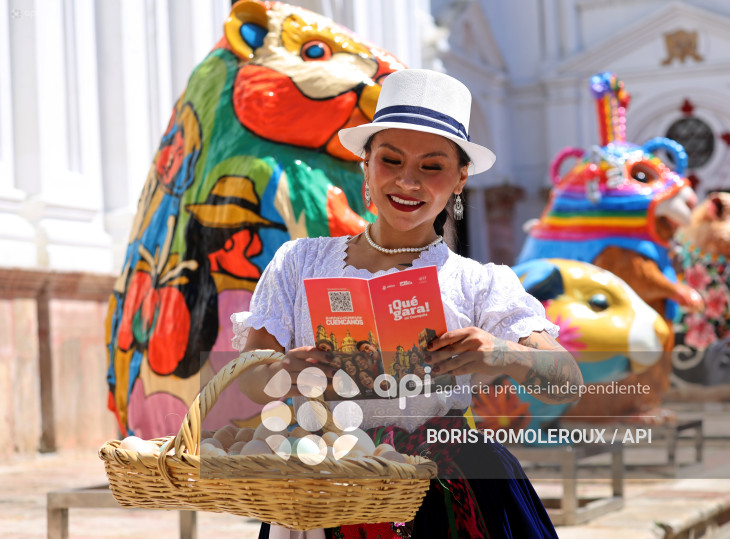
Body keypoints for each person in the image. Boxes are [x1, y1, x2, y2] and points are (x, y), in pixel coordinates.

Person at [233, 69, 583, 539]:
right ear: (365, 166)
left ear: (460, 179)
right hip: (325, 482)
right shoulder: (299, 262)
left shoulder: (479, 283)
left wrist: (497, 354)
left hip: (450, 492)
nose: (407, 181)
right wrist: (285, 370)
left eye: (432, 166)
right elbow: (250, 379)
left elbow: (566, 383)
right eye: (390, 161)